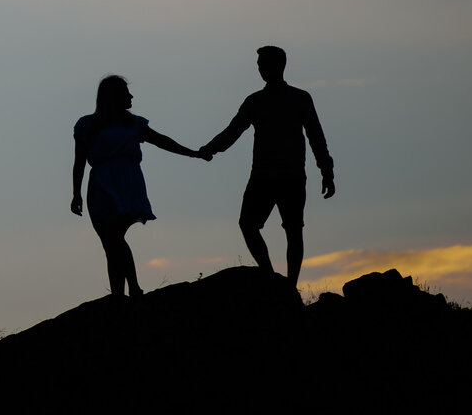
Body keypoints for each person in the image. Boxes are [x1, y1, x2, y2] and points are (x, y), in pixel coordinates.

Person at [201, 45, 335, 286]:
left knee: (293, 230)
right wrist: (209, 149)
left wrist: (326, 170)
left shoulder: (299, 98)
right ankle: (270, 277)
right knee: (249, 225)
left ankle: (289, 285)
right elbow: (233, 131)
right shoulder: (255, 101)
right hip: (263, 176)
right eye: (259, 65)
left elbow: (316, 136)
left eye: (266, 64)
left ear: (280, 66)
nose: (262, 69)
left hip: (290, 176)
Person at [71, 75, 210, 298]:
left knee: (114, 238)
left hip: (127, 183)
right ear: (114, 96)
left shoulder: (133, 123)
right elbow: (79, 161)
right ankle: (119, 292)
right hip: (101, 184)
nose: (131, 96)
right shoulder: (88, 125)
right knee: (111, 243)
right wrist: (76, 193)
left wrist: (193, 153)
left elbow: (162, 141)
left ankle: (132, 288)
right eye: (126, 92)